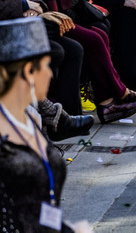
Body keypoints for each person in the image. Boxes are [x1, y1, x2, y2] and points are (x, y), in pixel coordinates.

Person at [0, 17, 95, 233]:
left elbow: (40, 207)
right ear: (27, 72)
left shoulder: (28, 120)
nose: (50, 73)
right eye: (45, 66)